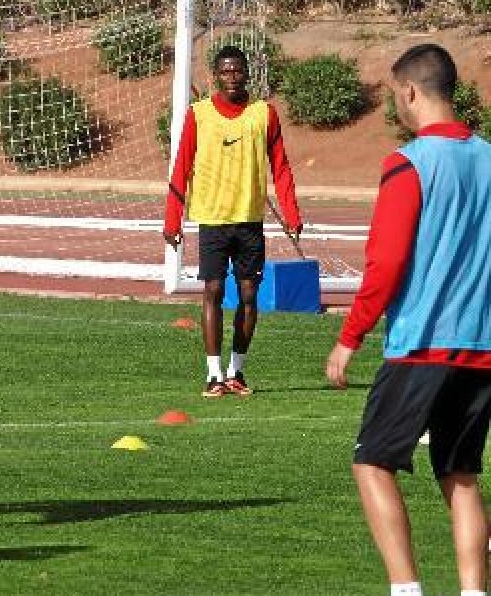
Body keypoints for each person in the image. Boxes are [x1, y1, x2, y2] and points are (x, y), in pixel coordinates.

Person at [325, 43, 491, 596]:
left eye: (396, 94)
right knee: (461, 477)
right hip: (481, 346)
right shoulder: (489, 159)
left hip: (421, 345)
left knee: (372, 463)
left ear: (411, 91)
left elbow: (386, 261)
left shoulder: (409, 163)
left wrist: (350, 337)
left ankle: (405, 589)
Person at [162, 45, 303, 398]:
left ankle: (236, 372)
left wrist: (292, 213)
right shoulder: (199, 114)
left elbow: (281, 166)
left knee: (249, 295)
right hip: (212, 219)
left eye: (237, 71)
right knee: (212, 290)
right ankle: (213, 374)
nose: (232, 77)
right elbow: (181, 168)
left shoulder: (264, 114)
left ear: (247, 74)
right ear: (216, 75)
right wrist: (172, 220)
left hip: (249, 221)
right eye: (225, 71)